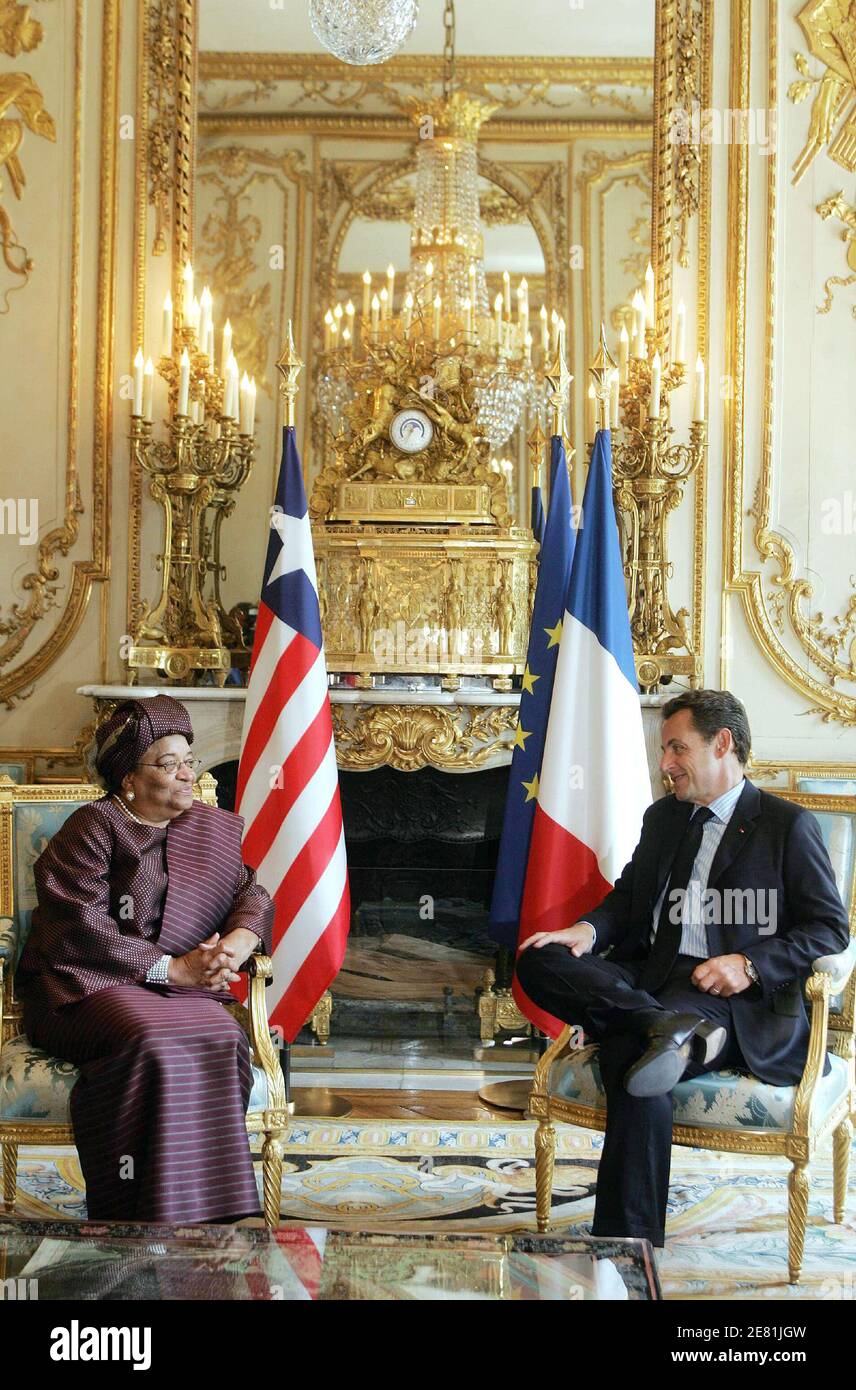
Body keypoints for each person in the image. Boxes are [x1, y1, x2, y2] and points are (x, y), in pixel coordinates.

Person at [515, 688, 850, 1249]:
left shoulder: (785, 825)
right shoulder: (664, 818)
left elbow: (829, 929)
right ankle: (660, 1028)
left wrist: (748, 963)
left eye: (677, 748)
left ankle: (628, 1243)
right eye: (663, 749)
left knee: (634, 1061)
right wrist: (588, 931)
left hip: (730, 997)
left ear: (722, 744)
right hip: (654, 979)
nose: (665, 763)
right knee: (538, 958)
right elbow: (627, 902)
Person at [16, 695, 275, 1225]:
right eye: (168, 763)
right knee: (152, 1042)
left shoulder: (208, 828)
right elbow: (80, 931)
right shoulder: (92, 829)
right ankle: (139, 1216)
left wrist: (237, 943)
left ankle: (209, 1218)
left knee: (225, 1037)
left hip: (177, 988)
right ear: (129, 779)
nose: (187, 774)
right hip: (82, 989)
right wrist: (172, 969)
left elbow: (252, 892)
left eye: (189, 759)